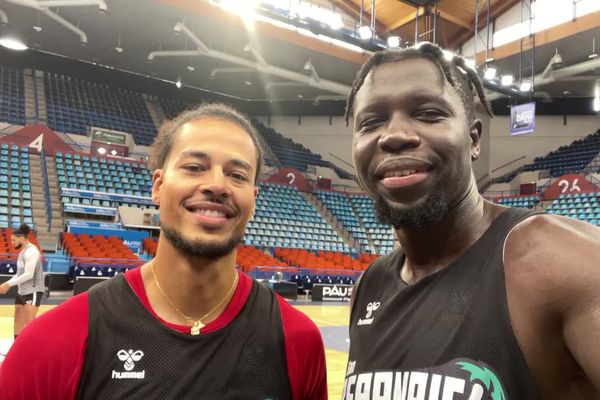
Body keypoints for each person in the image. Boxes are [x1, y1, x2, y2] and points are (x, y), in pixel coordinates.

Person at [0, 103, 327, 399]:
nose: (217, 185)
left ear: (253, 199)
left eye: (236, 174)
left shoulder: (297, 340)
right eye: (194, 167)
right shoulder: (54, 341)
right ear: (158, 185)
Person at [343, 42, 600, 399]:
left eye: (429, 113)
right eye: (371, 122)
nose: (394, 135)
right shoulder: (368, 287)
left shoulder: (556, 259)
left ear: (474, 138)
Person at [0, 224, 44, 339]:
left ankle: (33, 351)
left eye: (14, 240)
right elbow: (18, 274)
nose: (12, 242)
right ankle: (16, 346)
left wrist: (8, 284)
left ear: (21, 238)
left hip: (33, 291)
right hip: (22, 291)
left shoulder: (32, 252)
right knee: (18, 317)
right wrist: (6, 284)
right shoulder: (22, 253)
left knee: (30, 323)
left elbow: (29, 275)